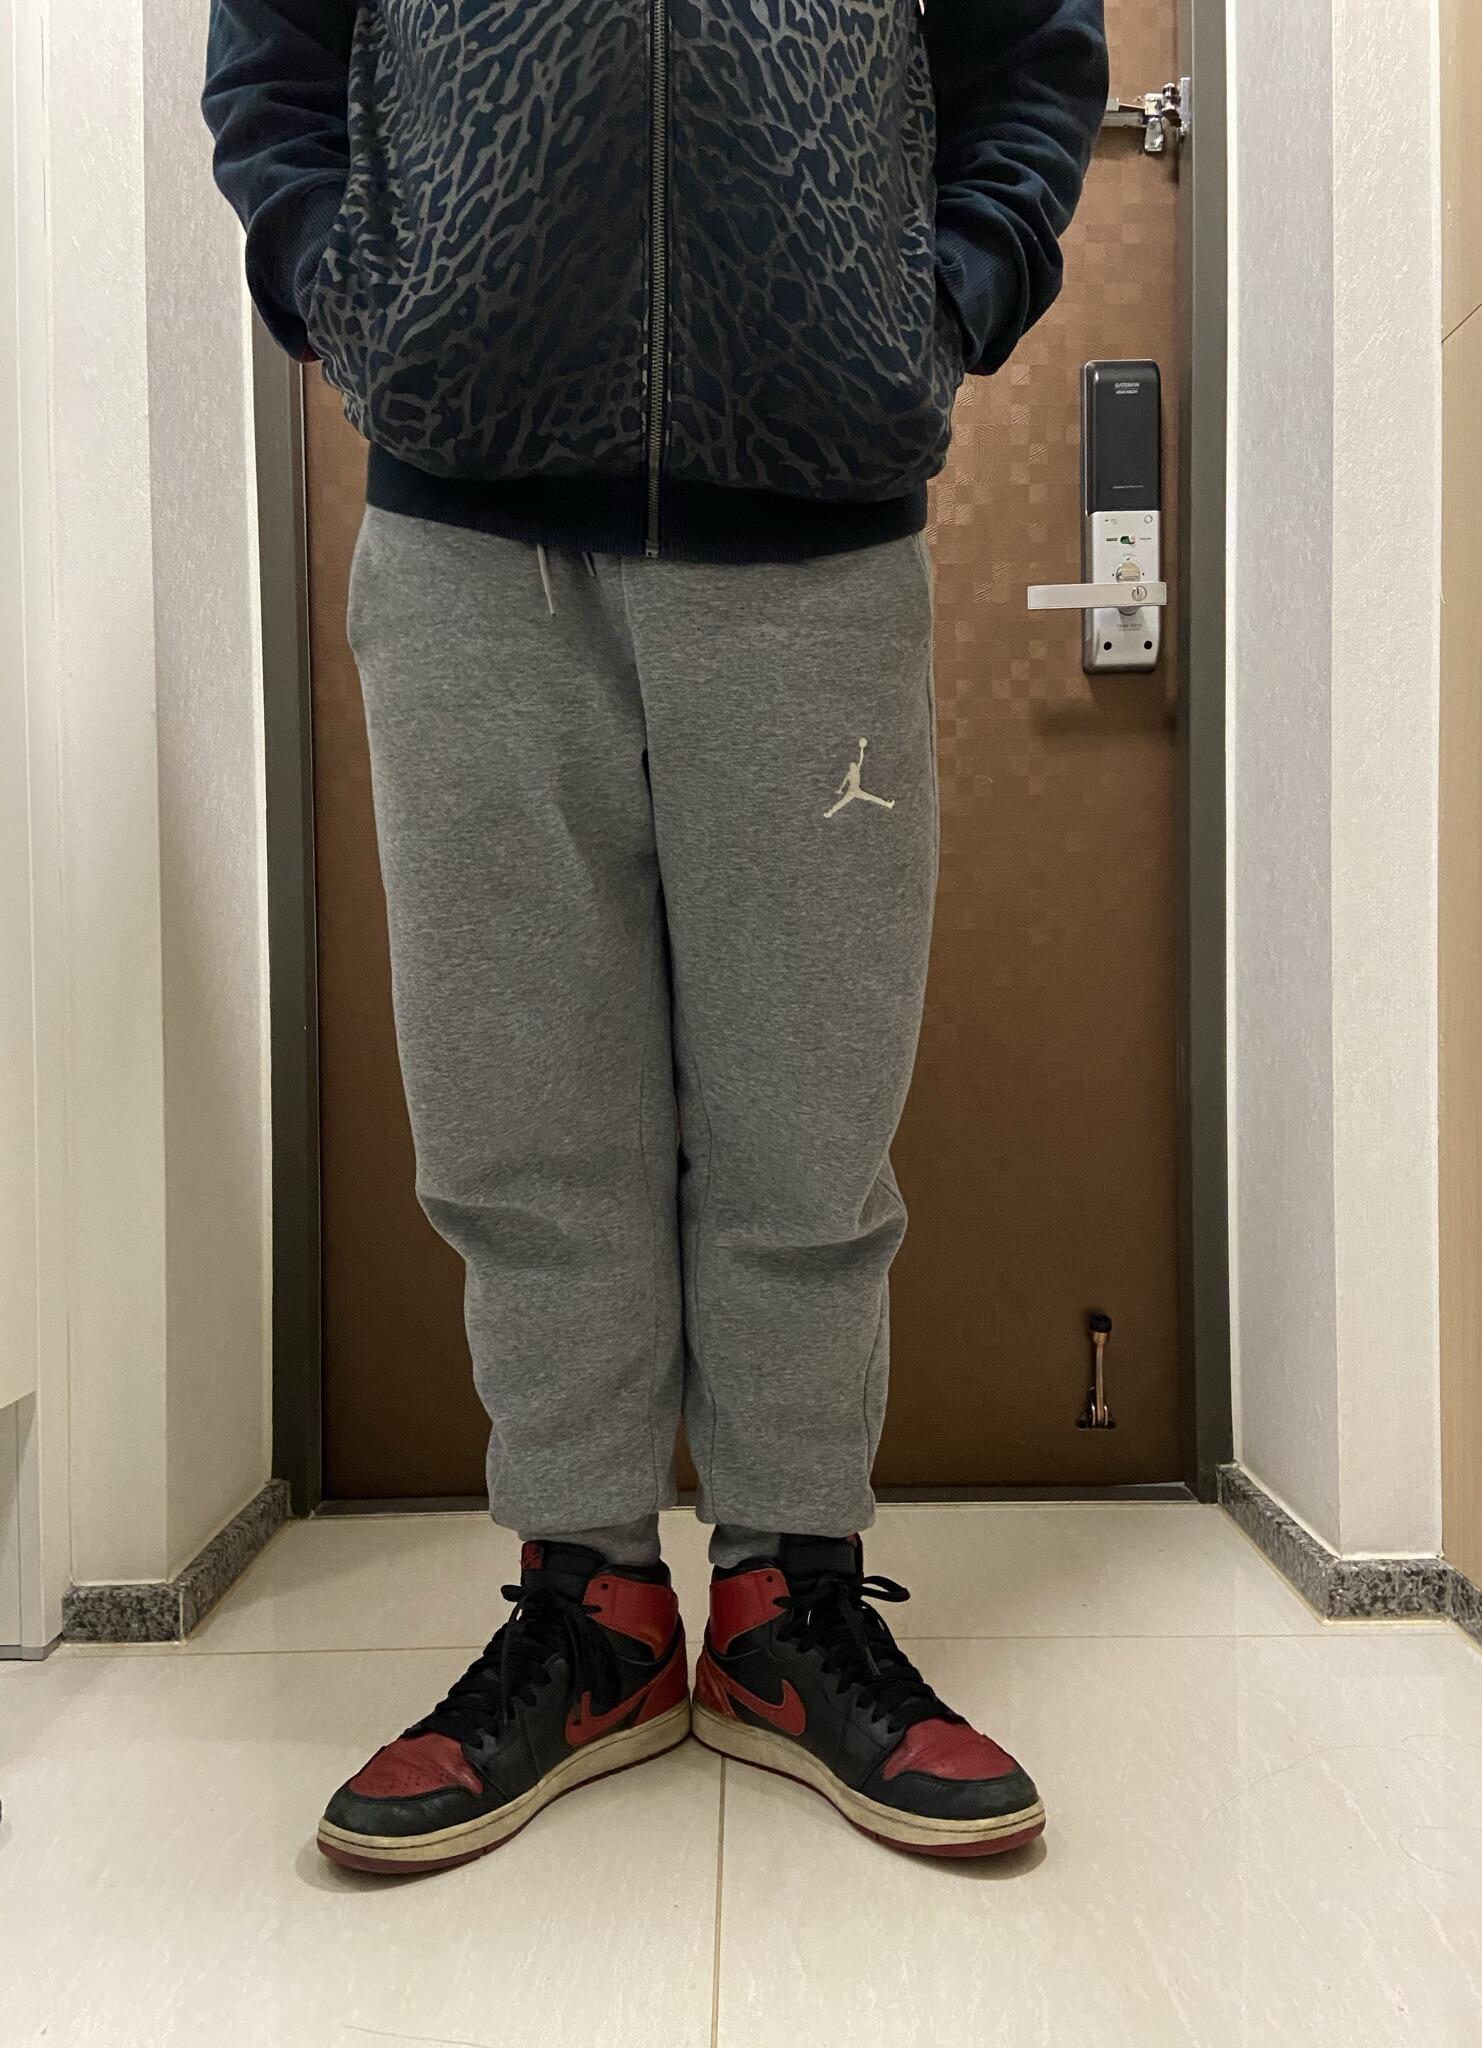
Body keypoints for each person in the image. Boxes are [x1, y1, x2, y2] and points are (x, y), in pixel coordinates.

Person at [204, 0, 1107, 1874]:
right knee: (517, 1111)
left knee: (808, 1109)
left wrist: (924, 315)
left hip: (816, 523)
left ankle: (788, 1601)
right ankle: (592, 1611)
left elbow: (1030, 55)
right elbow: (272, 64)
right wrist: (362, 301)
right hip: (467, 530)